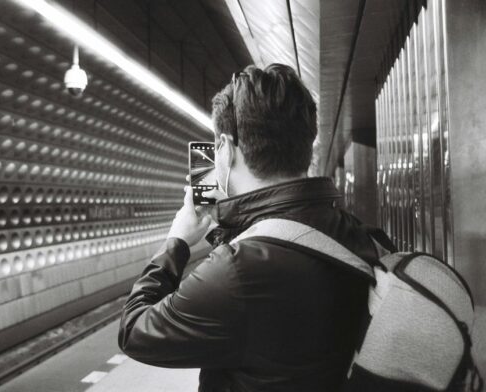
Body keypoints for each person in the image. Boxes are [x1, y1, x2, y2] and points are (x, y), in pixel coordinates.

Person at [118, 63, 384, 391]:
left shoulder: (238, 268)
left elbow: (135, 331)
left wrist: (178, 241)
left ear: (227, 148)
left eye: (217, 147)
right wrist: (230, 225)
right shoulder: (358, 233)